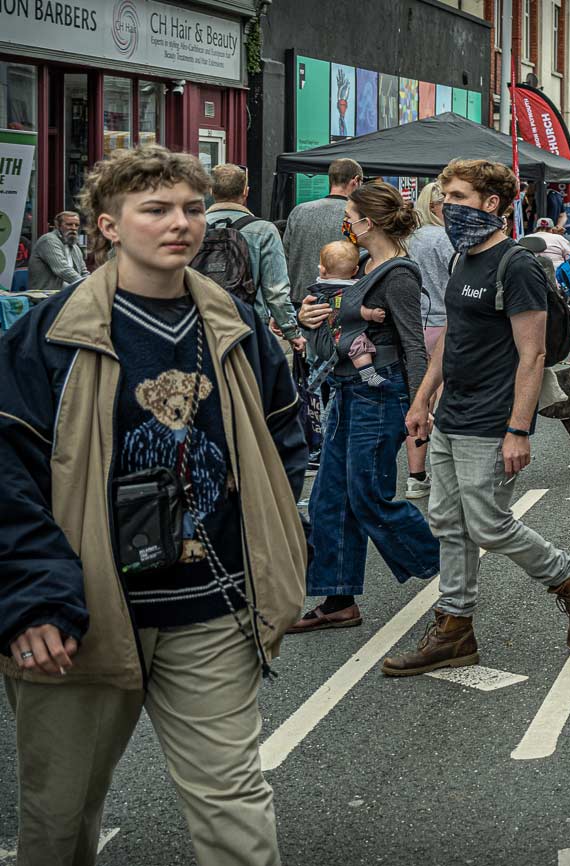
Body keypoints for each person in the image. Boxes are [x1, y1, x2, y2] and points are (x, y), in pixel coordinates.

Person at [0, 144, 306, 866]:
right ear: (108, 225)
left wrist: (270, 542)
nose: (181, 224)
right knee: (58, 816)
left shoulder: (233, 322)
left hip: (211, 608)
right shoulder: (48, 338)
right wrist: (32, 601)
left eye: (193, 209)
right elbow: (8, 479)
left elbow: (283, 436)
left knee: (234, 801)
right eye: (156, 210)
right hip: (82, 614)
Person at [388, 159, 570, 676]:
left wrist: (517, 429)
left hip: (491, 419)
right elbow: (450, 338)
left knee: (488, 524)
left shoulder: (517, 265)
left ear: (492, 204)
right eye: (445, 196)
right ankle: (454, 627)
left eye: (460, 196)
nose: (447, 206)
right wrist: (423, 399)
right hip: (451, 414)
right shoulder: (462, 257)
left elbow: (531, 355)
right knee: (447, 520)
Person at [290, 181, 439, 632]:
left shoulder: (398, 273)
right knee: (329, 497)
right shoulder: (369, 265)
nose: (346, 223)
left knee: (367, 497)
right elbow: (346, 317)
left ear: (367, 222)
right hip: (347, 391)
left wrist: (419, 405)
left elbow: (414, 344)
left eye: (350, 216)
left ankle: (448, 566)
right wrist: (308, 316)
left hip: (379, 393)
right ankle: (338, 601)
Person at [204, 165, 297, 347]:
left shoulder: (193, 226)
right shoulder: (263, 230)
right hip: (248, 324)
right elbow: (276, 289)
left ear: (211, 190)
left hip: (202, 323)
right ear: (246, 192)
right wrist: (290, 330)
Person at [404, 181, 457, 501]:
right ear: (436, 206)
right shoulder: (447, 239)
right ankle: (445, 473)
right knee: (443, 402)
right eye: (447, 203)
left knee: (418, 402)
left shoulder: (407, 240)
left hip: (412, 326)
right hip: (443, 324)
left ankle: (415, 477)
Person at [314, 241, 390, 387]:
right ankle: (369, 375)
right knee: (359, 348)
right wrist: (371, 314)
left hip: (328, 331)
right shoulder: (349, 289)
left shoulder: (320, 287)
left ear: (322, 270)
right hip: (348, 332)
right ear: (356, 270)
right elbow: (353, 308)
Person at [283, 157, 364, 292]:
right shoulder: (357, 215)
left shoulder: (299, 211)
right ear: (355, 181)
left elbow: (285, 257)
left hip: (299, 297)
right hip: (341, 298)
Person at [27, 210, 88, 293]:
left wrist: (94, 284)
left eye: (76, 225)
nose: (74, 228)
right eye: (69, 224)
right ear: (58, 225)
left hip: (67, 294)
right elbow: (63, 270)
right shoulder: (49, 240)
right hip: (46, 297)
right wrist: (87, 286)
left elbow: (84, 272)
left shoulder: (74, 247)